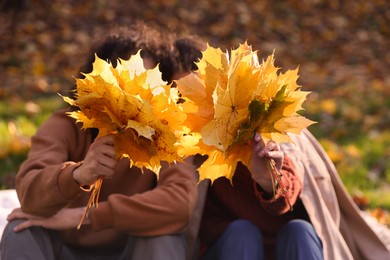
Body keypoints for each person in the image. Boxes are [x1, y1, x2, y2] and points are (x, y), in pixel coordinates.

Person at [0, 21, 206, 260]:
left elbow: (179, 204)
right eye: (121, 81)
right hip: (65, 248)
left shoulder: (167, 135)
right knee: (19, 231)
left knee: (163, 238)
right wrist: (78, 174)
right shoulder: (66, 125)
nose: (131, 96)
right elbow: (29, 194)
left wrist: (85, 215)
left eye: (144, 85)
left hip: (129, 248)